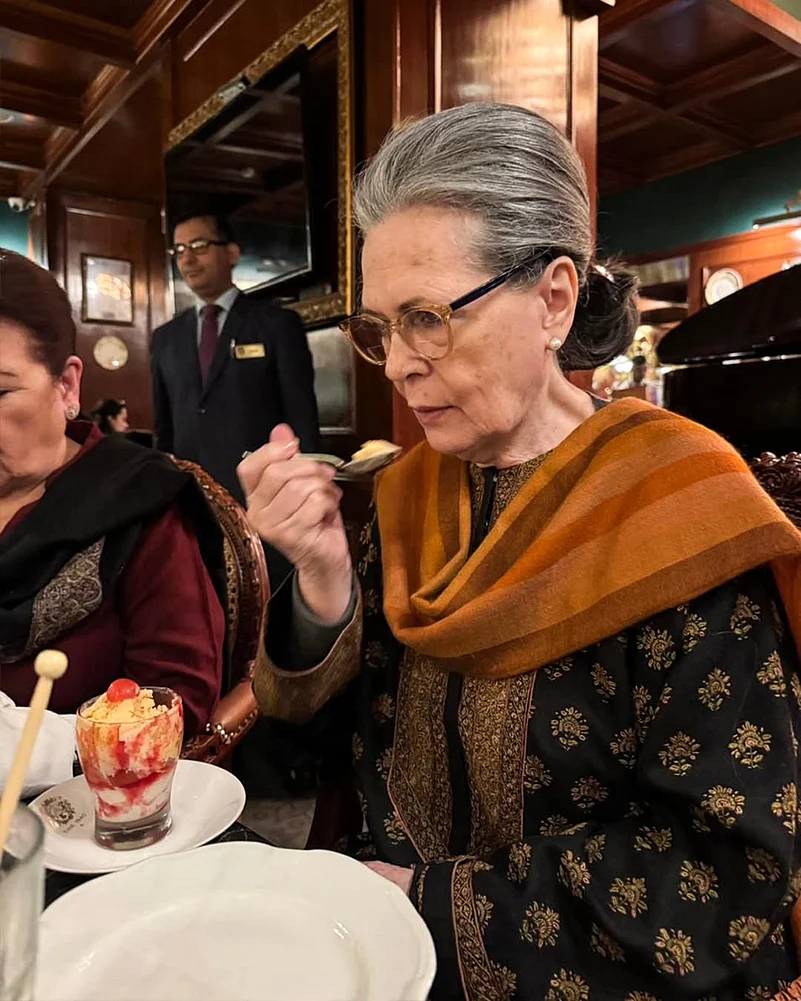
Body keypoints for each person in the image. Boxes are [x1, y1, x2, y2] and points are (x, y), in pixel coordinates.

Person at [239, 104, 801, 1000]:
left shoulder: (680, 508)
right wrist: (321, 581)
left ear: (554, 298)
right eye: (379, 328)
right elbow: (317, 747)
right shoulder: (406, 492)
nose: (396, 365)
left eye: (427, 317)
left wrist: (430, 904)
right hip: (374, 949)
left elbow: (727, 871)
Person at [0, 250, 226, 739]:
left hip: (83, 803)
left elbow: (175, 703)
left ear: (66, 385)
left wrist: (30, 745)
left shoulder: (136, 502)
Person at [150, 211, 321, 514]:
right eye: (179, 250)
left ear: (231, 253)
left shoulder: (276, 324)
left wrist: (305, 494)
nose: (187, 259)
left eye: (199, 245)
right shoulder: (166, 338)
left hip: (263, 498)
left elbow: (301, 417)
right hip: (191, 502)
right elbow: (165, 432)